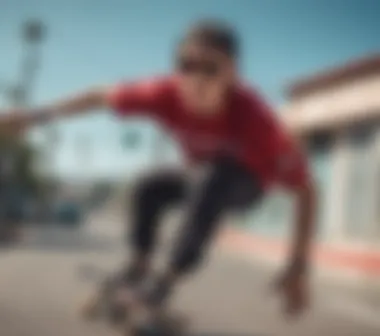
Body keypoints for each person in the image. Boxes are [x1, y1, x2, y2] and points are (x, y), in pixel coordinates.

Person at [0, 20, 316, 317]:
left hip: (246, 186)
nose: (196, 80)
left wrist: (297, 267)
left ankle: (165, 282)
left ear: (233, 73)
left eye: (210, 68)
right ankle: (139, 266)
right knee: (148, 184)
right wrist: (34, 116)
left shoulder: (257, 120)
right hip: (200, 177)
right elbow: (99, 96)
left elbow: (307, 191)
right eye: (186, 66)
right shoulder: (165, 93)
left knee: (212, 179)